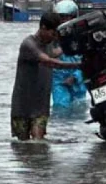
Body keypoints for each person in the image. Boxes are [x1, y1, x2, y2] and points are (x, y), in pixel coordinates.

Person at [11, 12, 81, 141]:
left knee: (38, 144)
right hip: (23, 106)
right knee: (23, 147)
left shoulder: (48, 45)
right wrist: (79, 65)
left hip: (41, 106)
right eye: (52, 34)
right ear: (43, 28)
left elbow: (57, 52)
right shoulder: (29, 44)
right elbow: (50, 62)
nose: (54, 38)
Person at [52, 1, 87, 110]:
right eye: (60, 17)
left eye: (66, 17)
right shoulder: (52, 35)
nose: (63, 20)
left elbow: (87, 59)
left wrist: (75, 77)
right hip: (59, 80)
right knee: (61, 107)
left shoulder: (82, 35)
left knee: (79, 107)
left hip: (78, 80)